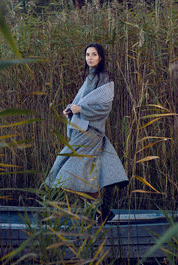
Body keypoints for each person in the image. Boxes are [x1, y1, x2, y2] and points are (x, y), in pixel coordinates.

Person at [45, 43, 129, 223]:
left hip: (91, 133)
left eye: (94, 54)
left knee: (65, 172)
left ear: (101, 58)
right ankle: (102, 211)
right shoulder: (89, 78)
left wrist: (80, 109)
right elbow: (80, 104)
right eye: (87, 54)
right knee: (76, 172)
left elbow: (104, 107)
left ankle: (100, 210)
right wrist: (71, 110)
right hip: (81, 132)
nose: (90, 57)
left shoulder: (103, 78)